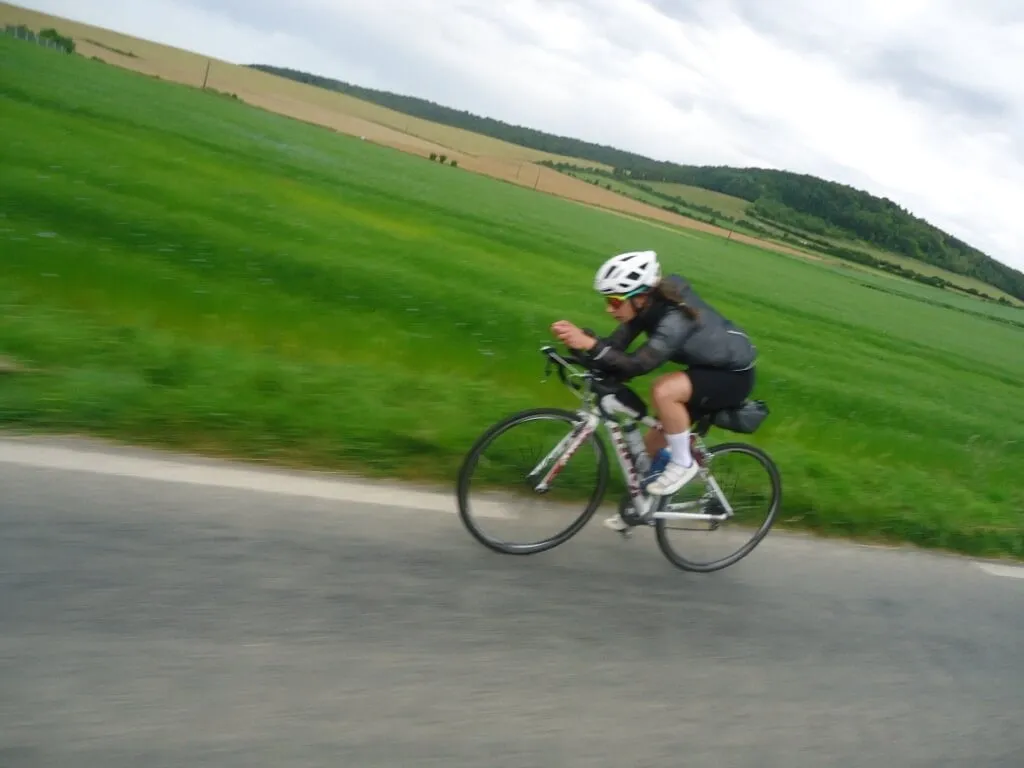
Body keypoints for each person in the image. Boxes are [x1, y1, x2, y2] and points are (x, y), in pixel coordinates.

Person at [550, 249, 758, 532]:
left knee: (663, 390)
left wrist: (591, 346)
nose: (609, 309)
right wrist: (580, 347)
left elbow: (639, 364)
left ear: (640, 296)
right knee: (648, 452)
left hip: (732, 376)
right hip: (706, 370)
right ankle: (641, 509)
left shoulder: (676, 318)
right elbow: (615, 351)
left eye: (614, 301)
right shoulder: (644, 309)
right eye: (607, 300)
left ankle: (684, 464)